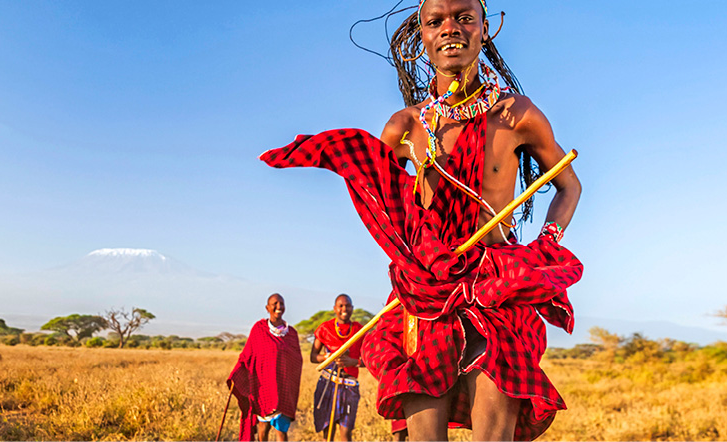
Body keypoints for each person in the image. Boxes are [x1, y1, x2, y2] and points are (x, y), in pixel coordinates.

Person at [260, 0, 583, 439]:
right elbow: (381, 193)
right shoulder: (406, 128)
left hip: (497, 286)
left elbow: (569, 186)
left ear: (487, 28)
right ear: (422, 37)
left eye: (465, 17)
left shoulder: (518, 115)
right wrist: (409, 251)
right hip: (428, 292)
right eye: (437, 21)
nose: (451, 28)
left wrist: (547, 242)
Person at [227, 293, 303, 442]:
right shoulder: (259, 329)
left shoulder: (291, 333)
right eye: (274, 304)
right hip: (264, 388)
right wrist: (237, 374)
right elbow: (247, 355)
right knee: (263, 431)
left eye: (281, 303)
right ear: (267, 308)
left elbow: (297, 361)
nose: (278, 307)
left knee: (281, 432)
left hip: (284, 390)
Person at [310, 294, 364, 441]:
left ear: (352, 308)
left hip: (349, 387)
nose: (344, 309)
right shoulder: (325, 329)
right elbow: (313, 357)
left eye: (347, 306)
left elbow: (368, 359)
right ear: (335, 309)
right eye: (340, 306)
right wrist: (328, 358)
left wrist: (353, 362)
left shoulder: (360, 331)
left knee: (346, 434)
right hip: (328, 384)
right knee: (328, 432)